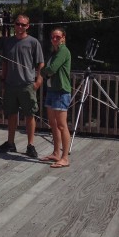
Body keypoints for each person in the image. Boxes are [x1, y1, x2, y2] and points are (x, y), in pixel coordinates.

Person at [0, 14, 44, 158]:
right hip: (10, 84)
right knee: (11, 114)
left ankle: (30, 145)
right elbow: (4, 63)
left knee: (30, 115)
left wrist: (38, 81)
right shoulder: (8, 42)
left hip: (27, 84)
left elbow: (40, 63)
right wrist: (3, 81)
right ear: (14, 25)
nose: (20, 27)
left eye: (23, 24)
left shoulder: (33, 42)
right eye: (18, 24)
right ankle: (10, 143)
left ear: (28, 26)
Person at [40, 28, 72, 168]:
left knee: (61, 125)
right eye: (53, 37)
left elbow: (51, 69)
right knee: (53, 123)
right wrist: (45, 71)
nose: (55, 39)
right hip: (52, 90)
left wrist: (42, 71)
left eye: (57, 37)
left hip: (61, 91)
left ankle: (65, 157)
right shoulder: (54, 52)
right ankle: (56, 153)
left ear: (63, 38)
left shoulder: (63, 51)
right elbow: (49, 69)